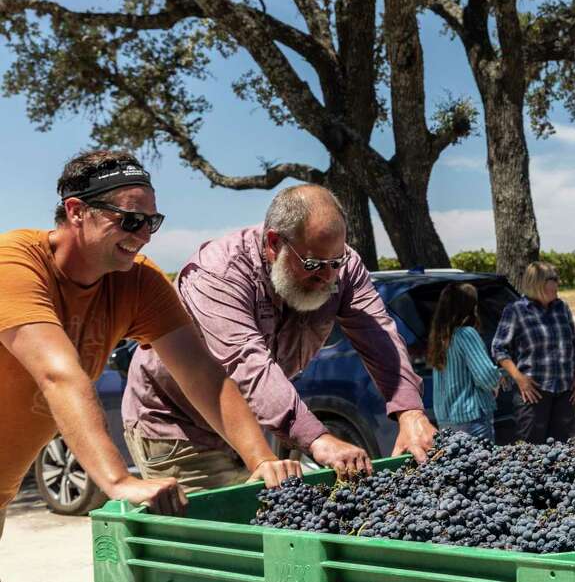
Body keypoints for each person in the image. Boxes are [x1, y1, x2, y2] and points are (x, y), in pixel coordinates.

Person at [0, 150, 302, 531]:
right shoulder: (14, 263)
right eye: (129, 220)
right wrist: (119, 480)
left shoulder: (138, 283)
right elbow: (57, 375)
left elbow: (203, 375)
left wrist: (260, 460)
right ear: (76, 211)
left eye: (151, 222)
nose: (143, 235)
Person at [122, 184, 435, 492]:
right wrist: (318, 439)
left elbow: (377, 333)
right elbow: (248, 363)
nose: (328, 276)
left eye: (335, 263)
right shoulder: (218, 272)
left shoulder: (343, 266)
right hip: (180, 427)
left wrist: (409, 411)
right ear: (273, 244)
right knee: (222, 535)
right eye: (312, 265)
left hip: (251, 425)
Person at [492, 262, 575, 444]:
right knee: (531, 453)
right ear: (538, 282)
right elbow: (498, 348)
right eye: (554, 279)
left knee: (563, 452)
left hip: (565, 392)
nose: (558, 283)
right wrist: (520, 379)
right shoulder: (516, 311)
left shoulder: (561, 308)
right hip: (533, 394)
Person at [427, 283, 504, 442]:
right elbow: (486, 376)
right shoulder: (466, 334)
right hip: (472, 417)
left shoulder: (440, 338)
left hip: (445, 419)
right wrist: (500, 377)